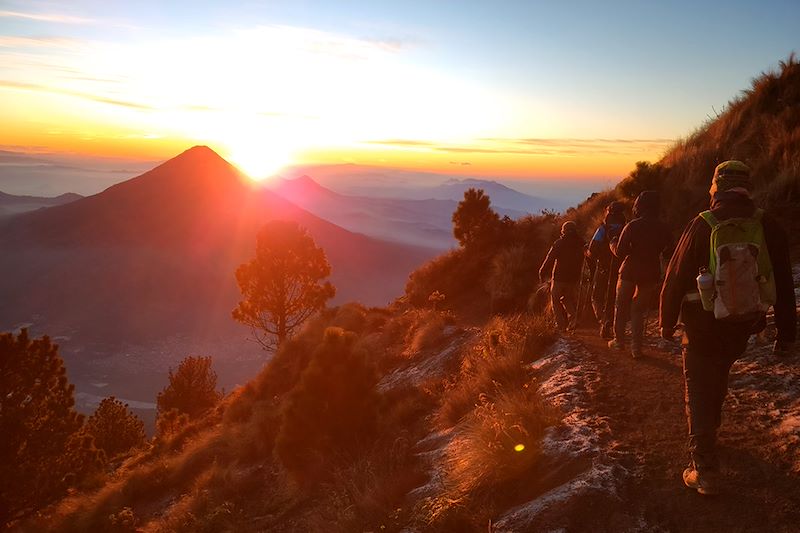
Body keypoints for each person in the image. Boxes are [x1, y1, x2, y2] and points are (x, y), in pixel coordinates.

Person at [660, 160, 796, 495]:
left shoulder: (702, 223)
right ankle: (710, 433)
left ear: (716, 188)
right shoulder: (766, 224)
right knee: (717, 374)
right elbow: (780, 281)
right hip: (743, 324)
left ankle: (703, 467)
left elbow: (675, 278)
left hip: (701, 323)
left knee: (699, 385)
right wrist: (786, 334)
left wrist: (665, 323)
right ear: (747, 188)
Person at [608, 191, 670, 358]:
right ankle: (637, 348)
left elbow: (621, 252)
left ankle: (618, 341)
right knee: (638, 311)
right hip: (651, 273)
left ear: (639, 206)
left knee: (621, 307)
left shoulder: (632, 226)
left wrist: (612, 244)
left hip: (629, 271)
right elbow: (668, 251)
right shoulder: (663, 227)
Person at [588, 201, 627, 338]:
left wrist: (592, 256)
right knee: (614, 298)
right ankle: (615, 325)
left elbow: (592, 249)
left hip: (603, 268)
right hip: (622, 270)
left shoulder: (602, 229)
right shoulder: (626, 228)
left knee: (597, 297)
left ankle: (604, 322)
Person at [539, 221, 585, 332]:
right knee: (567, 299)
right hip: (574, 277)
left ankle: (560, 326)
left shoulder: (559, 243)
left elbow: (550, 258)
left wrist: (542, 271)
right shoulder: (581, 243)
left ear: (563, 231)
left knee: (555, 300)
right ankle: (573, 320)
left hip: (559, 277)